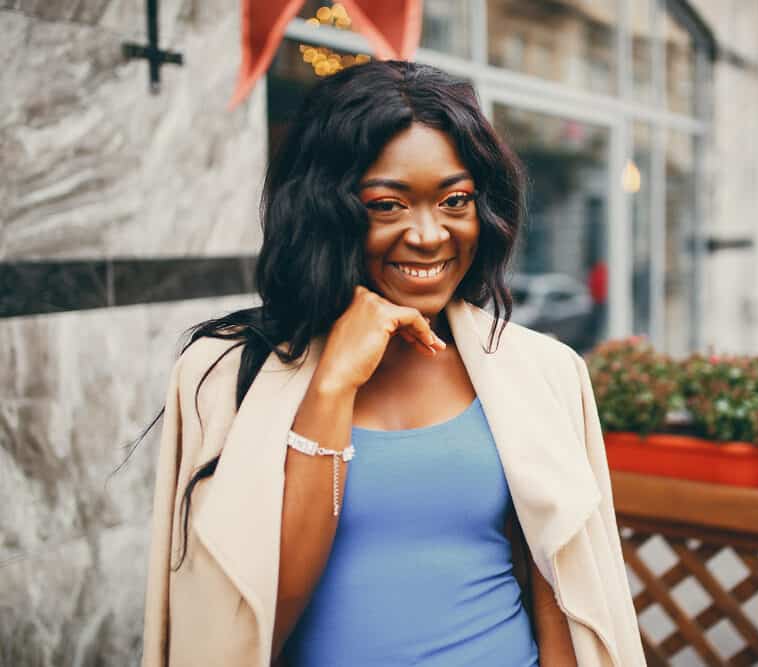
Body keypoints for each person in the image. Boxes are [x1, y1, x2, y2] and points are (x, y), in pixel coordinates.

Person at [139, 60, 644, 667]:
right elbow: (248, 626)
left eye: (454, 199)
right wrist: (331, 387)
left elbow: (560, 592)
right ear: (325, 209)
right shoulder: (222, 376)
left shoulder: (542, 372)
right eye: (388, 205)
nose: (429, 234)